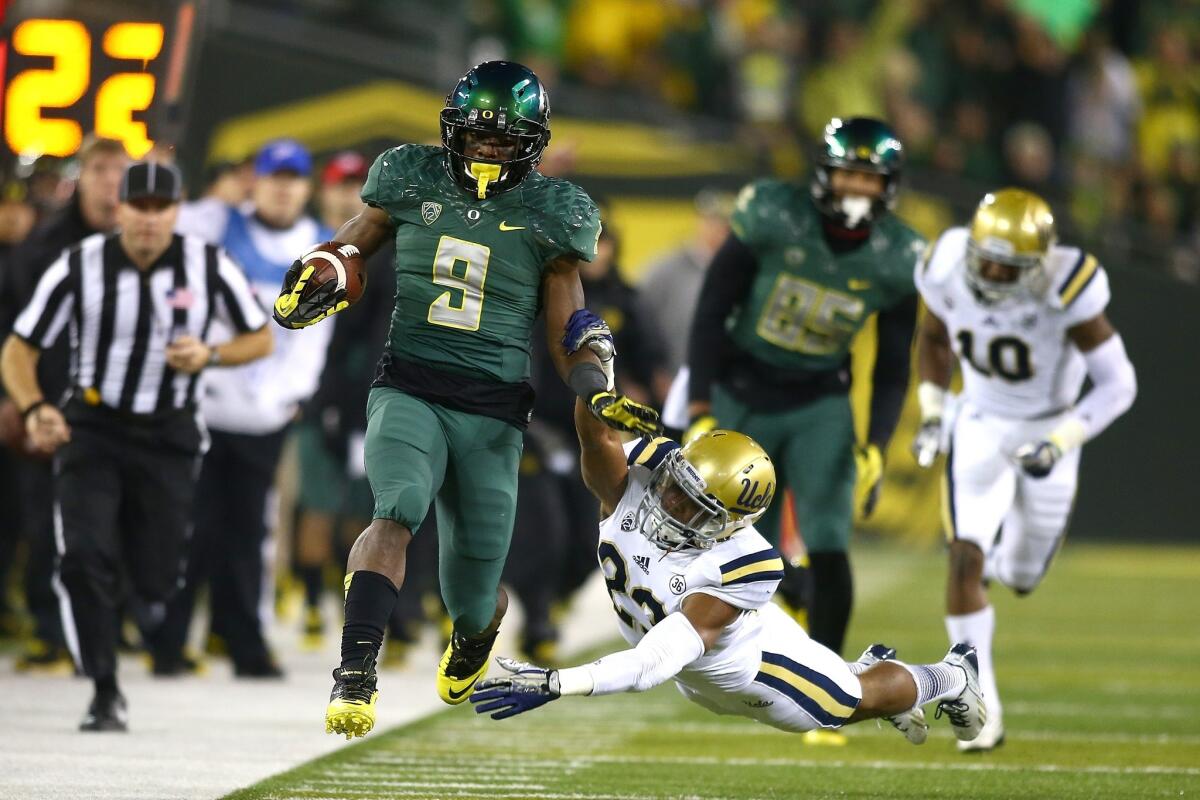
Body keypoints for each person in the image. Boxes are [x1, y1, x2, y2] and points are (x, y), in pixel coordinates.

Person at [269, 60, 661, 739]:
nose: (485, 148)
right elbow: (350, 246)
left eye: (502, 138)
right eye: (476, 134)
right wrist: (321, 272)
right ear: (452, 129)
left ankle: (476, 634)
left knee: (475, 591)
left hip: (494, 410)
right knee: (396, 510)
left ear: (530, 142)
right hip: (410, 384)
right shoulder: (409, 177)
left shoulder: (553, 213)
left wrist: (596, 386)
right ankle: (356, 670)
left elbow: (570, 326)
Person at [468, 315, 985, 747]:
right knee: (844, 685)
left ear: (728, 522)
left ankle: (951, 675)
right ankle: (869, 668)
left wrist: (560, 683)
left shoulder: (742, 562)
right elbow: (595, 435)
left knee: (846, 703)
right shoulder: (644, 478)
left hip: (754, 669)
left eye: (694, 505)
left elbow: (652, 664)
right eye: (676, 487)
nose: (670, 501)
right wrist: (599, 370)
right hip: (699, 673)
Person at [0, 162, 272, 730]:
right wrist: (34, 408)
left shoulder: (208, 264)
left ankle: (140, 594)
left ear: (177, 211)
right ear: (119, 208)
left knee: (155, 579)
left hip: (168, 435)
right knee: (82, 557)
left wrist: (211, 355)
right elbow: (19, 349)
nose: (149, 220)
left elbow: (260, 335)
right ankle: (103, 688)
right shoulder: (80, 266)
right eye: (138, 207)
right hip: (92, 429)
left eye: (160, 208)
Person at [683, 118, 926, 688]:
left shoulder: (898, 255)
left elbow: (893, 365)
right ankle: (754, 657)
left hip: (820, 400)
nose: (857, 191)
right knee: (737, 546)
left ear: (889, 186)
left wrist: (875, 443)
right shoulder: (775, 214)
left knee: (829, 538)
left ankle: (831, 680)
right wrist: (699, 405)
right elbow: (712, 309)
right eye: (848, 175)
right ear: (823, 172)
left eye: (870, 180)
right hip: (742, 389)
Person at [911, 188, 1137, 751]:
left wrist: (1061, 441)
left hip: (1048, 425)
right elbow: (935, 339)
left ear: (1037, 262)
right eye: (984, 258)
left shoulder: (1068, 286)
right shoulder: (944, 262)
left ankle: (997, 569)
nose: (989, 272)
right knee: (965, 554)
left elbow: (1119, 383)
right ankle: (978, 701)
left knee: (1022, 575)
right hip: (981, 421)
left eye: (1006, 266)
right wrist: (935, 412)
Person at [157, 139, 334, 677]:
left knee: (251, 535)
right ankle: (168, 641)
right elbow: (158, 215)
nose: (283, 188)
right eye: (272, 175)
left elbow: (316, 337)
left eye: (294, 178)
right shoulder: (214, 222)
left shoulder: (320, 247)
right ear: (252, 179)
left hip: (266, 413)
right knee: (192, 528)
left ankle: (244, 642)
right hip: (206, 404)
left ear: (307, 187)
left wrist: (291, 395)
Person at [0, 135, 129, 672]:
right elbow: (17, 331)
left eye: (117, 171)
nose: (108, 181)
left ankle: (106, 629)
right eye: (98, 170)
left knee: (116, 521)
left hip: (124, 408)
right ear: (84, 178)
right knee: (49, 519)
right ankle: (51, 631)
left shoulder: (148, 241)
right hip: (53, 404)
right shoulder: (47, 243)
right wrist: (19, 398)